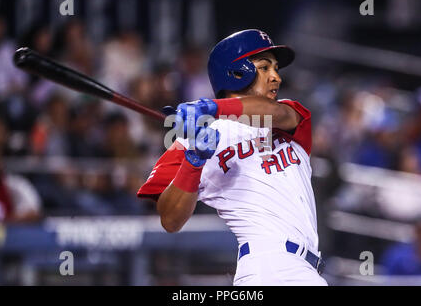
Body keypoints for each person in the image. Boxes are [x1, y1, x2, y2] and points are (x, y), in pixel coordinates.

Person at [137, 29, 327, 285]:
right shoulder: (189, 140)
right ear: (236, 72)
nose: (276, 78)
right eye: (264, 67)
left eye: (276, 68)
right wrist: (194, 160)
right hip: (268, 266)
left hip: (306, 269)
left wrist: (212, 108)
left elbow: (275, 113)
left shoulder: (283, 116)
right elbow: (170, 219)